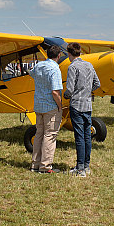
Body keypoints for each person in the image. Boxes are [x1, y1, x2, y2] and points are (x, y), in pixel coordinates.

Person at [64, 42, 100, 178]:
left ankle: (80, 169)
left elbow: (70, 89)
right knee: (87, 136)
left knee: (79, 137)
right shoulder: (89, 65)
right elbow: (97, 83)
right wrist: (87, 92)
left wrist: (66, 95)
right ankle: (86, 165)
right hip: (87, 105)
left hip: (77, 105)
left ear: (69, 54)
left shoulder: (72, 67)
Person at [28, 45, 63, 174]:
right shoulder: (55, 69)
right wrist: (60, 106)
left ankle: (35, 164)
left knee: (39, 134)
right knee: (50, 135)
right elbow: (55, 92)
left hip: (38, 105)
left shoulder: (39, 66)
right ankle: (45, 166)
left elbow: (31, 73)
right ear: (58, 55)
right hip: (50, 106)